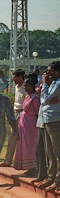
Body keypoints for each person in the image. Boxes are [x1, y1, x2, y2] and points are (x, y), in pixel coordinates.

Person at [39, 61, 60, 191]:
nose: (47, 74)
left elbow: (45, 100)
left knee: (57, 151)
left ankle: (58, 179)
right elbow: (45, 101)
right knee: (49, 151)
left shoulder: (57, 84)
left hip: (55, 119)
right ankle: (51, 177)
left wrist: (45, 85)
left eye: (50, 71)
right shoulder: (52, 84)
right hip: (47, 119)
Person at [0, 70, 27, 168]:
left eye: (15, 77)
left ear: (20, 77)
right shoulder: (16, 87)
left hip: (23, 114)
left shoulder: (25, 88)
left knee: (22, 139)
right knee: (12, 136)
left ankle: (23, 163)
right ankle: (7, 161)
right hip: (15, 113)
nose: (13, 79)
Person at [13, 78, 40, 172]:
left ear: (32, 86)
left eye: (27, 85)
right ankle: (27, 167)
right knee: (24, 144)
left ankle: (33, 167)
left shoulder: (34, 98)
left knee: (30, 146)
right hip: (24, 123)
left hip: (31, 124)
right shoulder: (28, 96)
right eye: (24, 85)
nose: (25, 87)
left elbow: (37, 112)